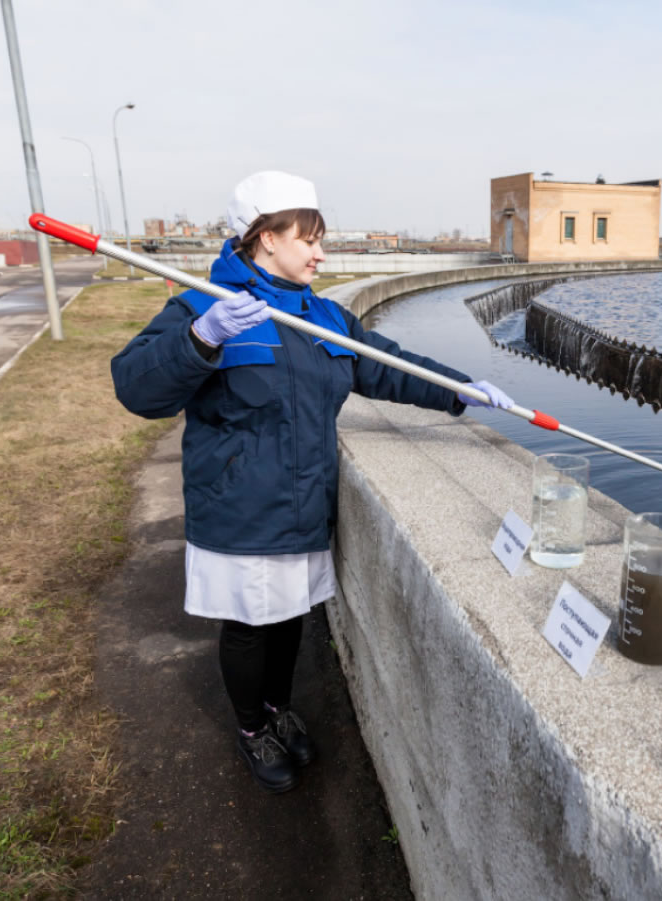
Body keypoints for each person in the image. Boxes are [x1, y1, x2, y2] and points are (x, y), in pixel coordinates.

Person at [111, 171, 513, 793]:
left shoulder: (324, 316)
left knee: (291, 616)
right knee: (249, 626)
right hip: (240, 506)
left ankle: (276, 710)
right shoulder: (200, 305)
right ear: (266, 238)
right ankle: (251, 730)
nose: (321, 254)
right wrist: (202, 339)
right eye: (309, 241)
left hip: (303, 504)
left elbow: (389, 369)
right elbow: (136, 388)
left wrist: (460, 390)